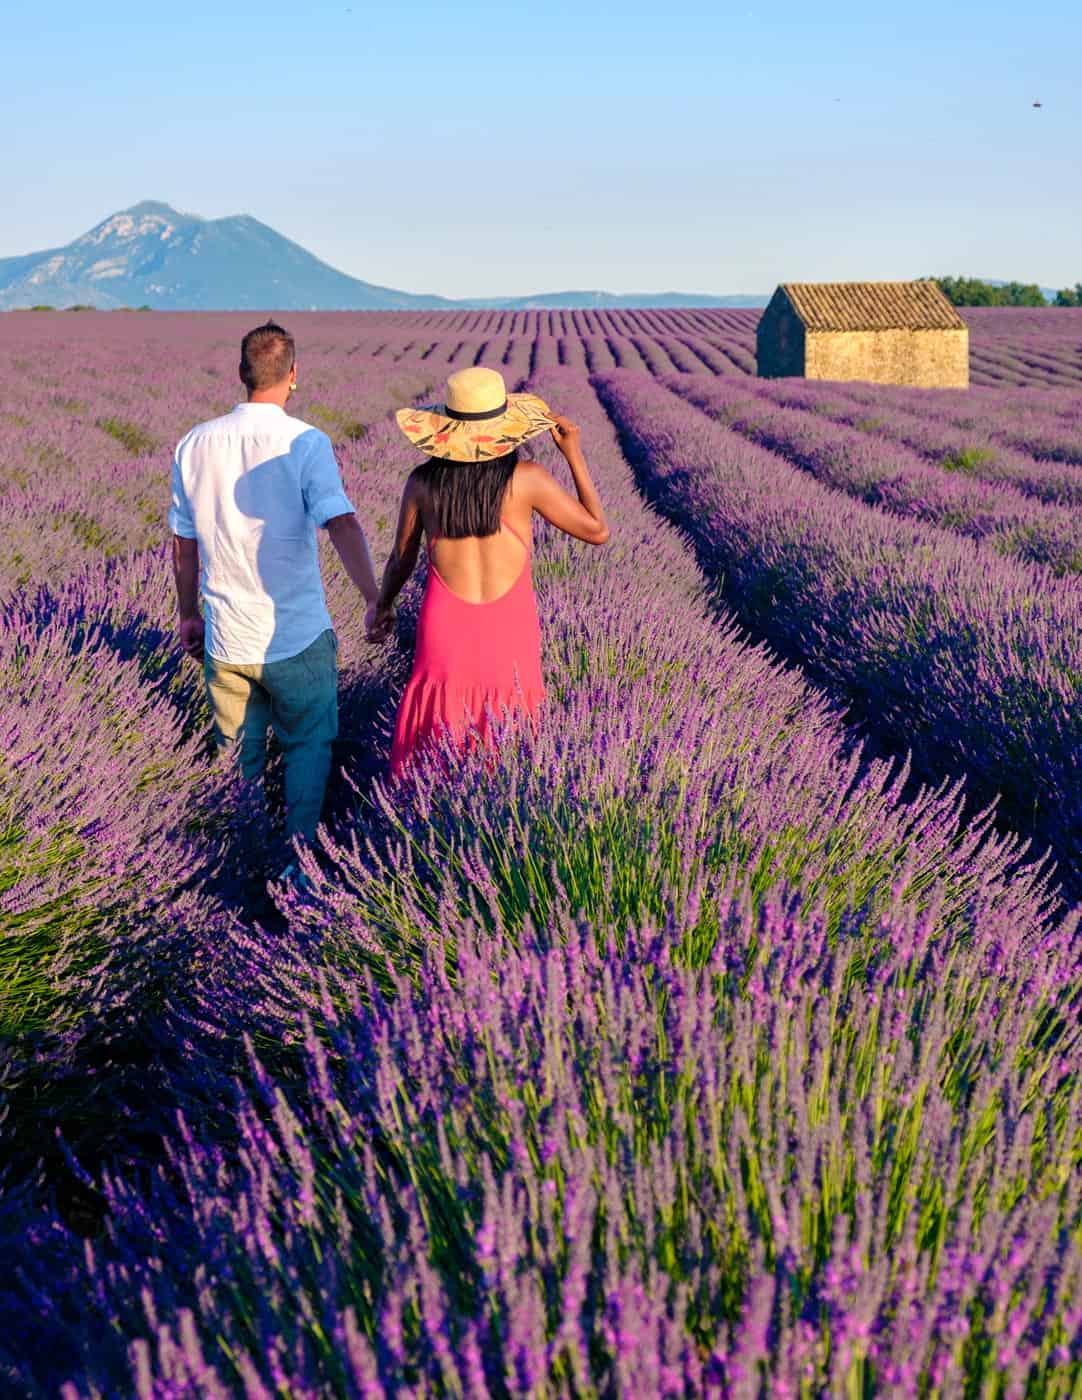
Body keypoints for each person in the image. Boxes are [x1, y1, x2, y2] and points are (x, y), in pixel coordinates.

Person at [169, 320, 381, 844]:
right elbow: (341, 522)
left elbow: (183, 542)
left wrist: (188, 613)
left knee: (235, 756)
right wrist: (374, 598)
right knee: (307, 746)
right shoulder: (306, 442)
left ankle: (243, 852)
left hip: (226, 635)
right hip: (296, 634)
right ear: (293, 374)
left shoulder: (194, 443)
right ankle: (298, 861)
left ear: (241, 372)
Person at [368, 365, 609, 776]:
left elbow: (401, 559)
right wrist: (573, 454)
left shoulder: (423, 483)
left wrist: (383, 605)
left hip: (445, 629)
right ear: (504, 430)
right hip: (509, 631)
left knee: (435, 739)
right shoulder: (527, 479)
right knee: (509, 741)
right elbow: (597, 530)